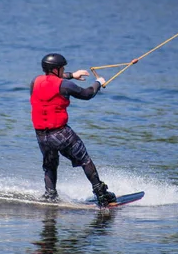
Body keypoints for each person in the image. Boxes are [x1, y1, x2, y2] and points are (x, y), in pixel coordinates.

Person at [30, 53, 117, 207]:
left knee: (50, 165)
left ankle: (50, 195)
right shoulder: (64, 85)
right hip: (61, 133)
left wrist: (72, 75)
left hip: (41, 135)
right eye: (62, 68)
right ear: (56, 69)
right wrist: (98, 82)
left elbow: (55, 81)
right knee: (84, 159)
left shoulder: (35, 82)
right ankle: (102, 194)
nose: (64, 70)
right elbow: (87, 94)